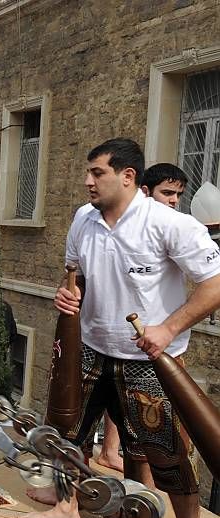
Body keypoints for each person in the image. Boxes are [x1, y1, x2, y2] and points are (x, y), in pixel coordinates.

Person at [19, 139, 220, 518]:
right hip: (89, 348)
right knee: (66, 433)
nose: (88, 181)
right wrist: (68, 296)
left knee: (169, 453)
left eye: (98, 173)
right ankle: (67, 508)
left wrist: (168, 328)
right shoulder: (83, 219)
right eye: (88, 172)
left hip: (149, 360)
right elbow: (74, 276)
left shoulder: (170, 224)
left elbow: (215, 283)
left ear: (128, 177)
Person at [95, 162, 192, 473]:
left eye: (178, 194)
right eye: (168, 192)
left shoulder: (176, 226)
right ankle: (113, 452)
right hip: (126, 335)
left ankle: (117, 455)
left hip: (160, 337)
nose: (175, 199)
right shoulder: (122, 224)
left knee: (150, 418)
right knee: (128, 407)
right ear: (145, 192)